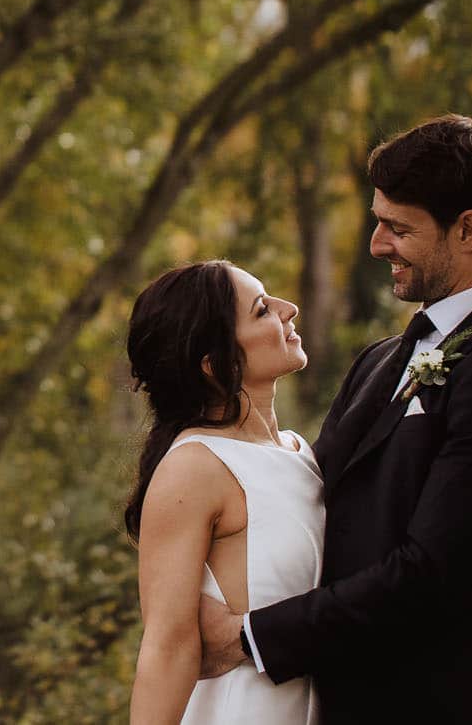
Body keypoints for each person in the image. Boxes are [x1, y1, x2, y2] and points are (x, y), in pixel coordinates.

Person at [197, 114, 472, 724]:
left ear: (468, 231)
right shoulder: (381, 359)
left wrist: (248, 638)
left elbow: (429, 580)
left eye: (398, 228)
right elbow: (311, 501)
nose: (377, 245)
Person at [125, 258, 322, 725]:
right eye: (260, 310)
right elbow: (166, 649)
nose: (288, 308)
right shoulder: (194, 467)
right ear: (215, 364)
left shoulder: (299, 450)